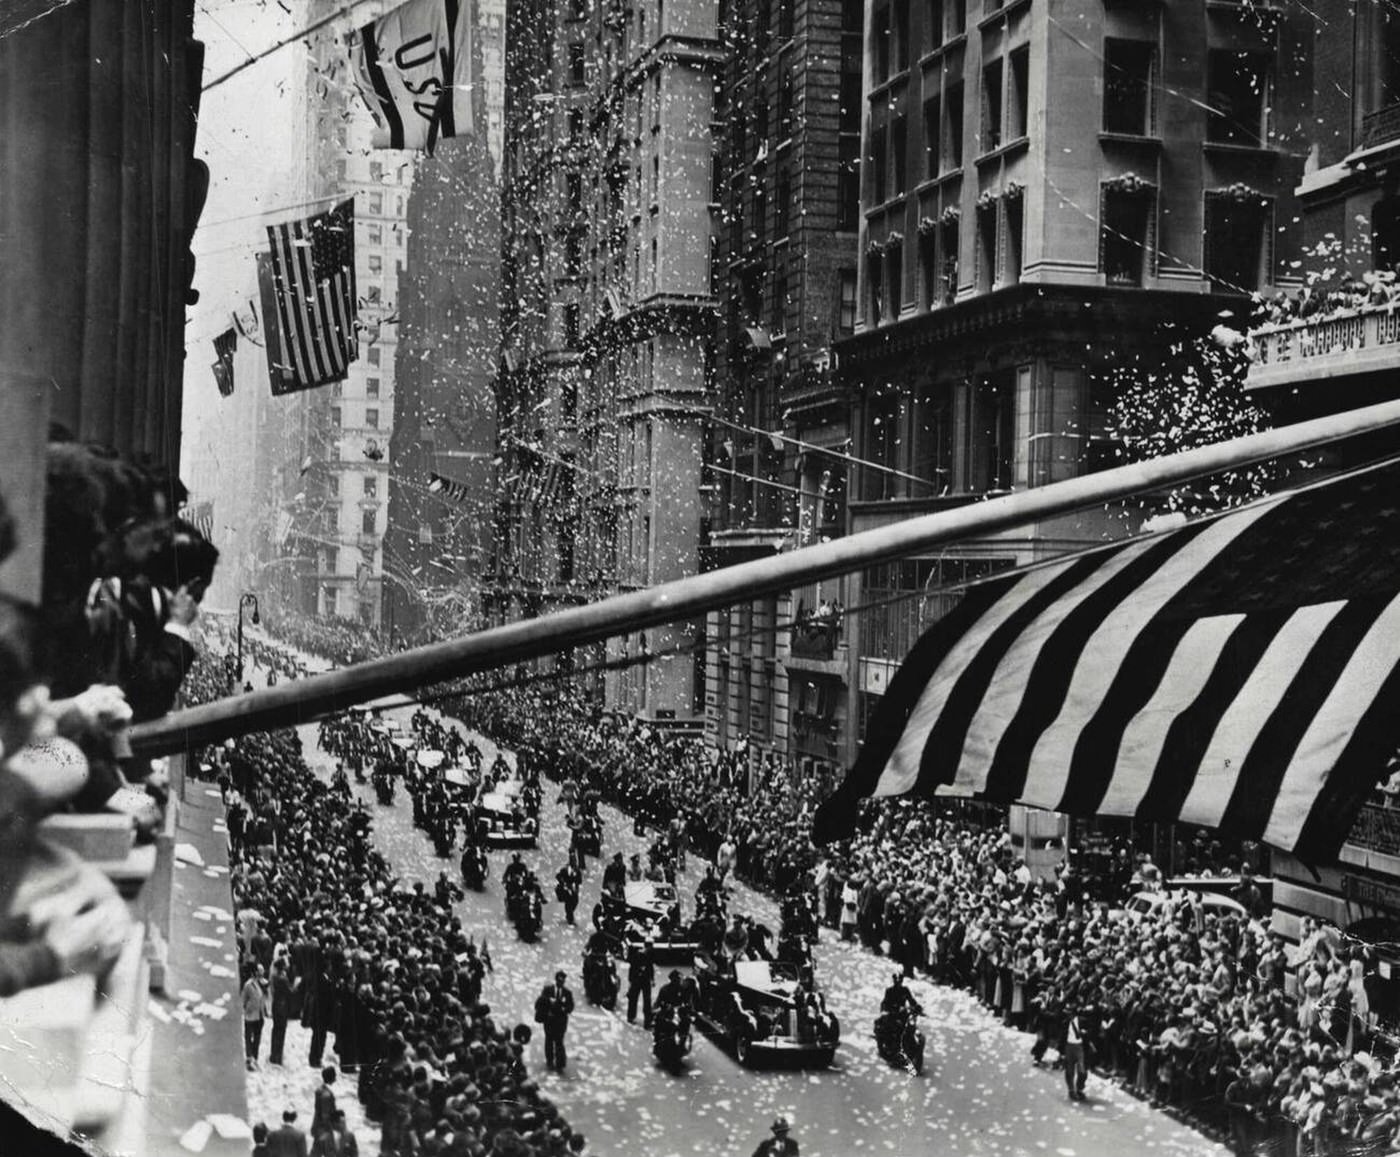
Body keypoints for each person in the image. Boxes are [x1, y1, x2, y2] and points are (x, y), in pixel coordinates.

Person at [535, 969, 576, 1073]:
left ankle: (560, 1063)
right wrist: (549, 1001)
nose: (561, 982)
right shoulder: (547, 990)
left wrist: (564, 1008)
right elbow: (540, 1002)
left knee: (559, 1041)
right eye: (559, 980)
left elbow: (571, 1007)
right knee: (549, 1040)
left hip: (560, 1022)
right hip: (549, 1020)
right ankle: (549, 1060)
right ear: (556, 980)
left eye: (562, 981)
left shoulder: (567, 993)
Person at [268, 956, 296, 1066]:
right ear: (283, 967)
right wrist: (296, 987)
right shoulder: (283, 978)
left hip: (276, 1004)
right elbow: (290, 991)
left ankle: (273, 1054)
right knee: (281, 1031)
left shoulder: (274, 976)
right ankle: (278, 1056)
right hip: (283, 1006)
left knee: (275, 1030)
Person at [243, 964, 268, 1069]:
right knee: (249, 1038)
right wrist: (248, 1009)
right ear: (255, 972)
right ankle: (249, 1059)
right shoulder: (248, 985)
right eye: (259, 971)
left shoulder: (264, 983)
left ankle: (255, 1058)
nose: (261, 973)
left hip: (259, 1015)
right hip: (250, 1015)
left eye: (262, 971)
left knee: (257, 1038)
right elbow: (244, 1000)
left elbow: (264, 998)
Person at [627, 940, 655, 1027]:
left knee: (639, 999)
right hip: (641, 980)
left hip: (640, 980)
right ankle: (645, 1021)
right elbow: (649, 968)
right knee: (641, 1000)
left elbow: (650, 968)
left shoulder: (643, 954)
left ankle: (635, 1018)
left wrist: (652, 979)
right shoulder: (641, 955)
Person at [1062, 1005, 1088, 1102]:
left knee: (1082, 1071)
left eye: (1068, 1012)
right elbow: (1062, 1037)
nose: (1067, 1014)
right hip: (1069, 1046)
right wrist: (1061, 1052)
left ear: (1073, 1013)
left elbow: (1090, 1031)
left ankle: (1079, 1088)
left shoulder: (1082, 1021)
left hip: (1080, 1046)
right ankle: (1071, 1090)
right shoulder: (1065, 1023)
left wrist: (1085, 1032)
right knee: (1069, 1070)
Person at [311, 1066, 338, 1139]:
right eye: (334, 1075)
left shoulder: (319, 1090)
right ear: (331, 1077)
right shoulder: (327, 1094)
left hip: (318, 1125)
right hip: (324, 1129)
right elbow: (325, 1114)